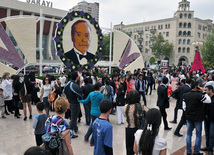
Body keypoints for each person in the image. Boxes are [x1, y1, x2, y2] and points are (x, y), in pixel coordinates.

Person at [183, 81, 211, 155]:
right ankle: (196, 152)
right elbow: (208, 101)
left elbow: (184, 107)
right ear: (196, 87)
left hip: (189, 117)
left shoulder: (185, 95)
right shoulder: (199, 95)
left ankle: (188, 151)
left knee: (189, 134)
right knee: (198, 134)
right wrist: (203, 92)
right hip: (198, 118)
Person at [123, 90, 141, 155]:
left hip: (128, 129)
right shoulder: (141, 107)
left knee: (129, 147)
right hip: (138, 129)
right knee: (138, 148)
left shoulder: (126, 107)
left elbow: (124, 115)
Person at [201, 85, 214, 155]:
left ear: (210, 90)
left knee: (211, 134)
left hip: (213, 119)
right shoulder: (206, 97)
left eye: (206, 90)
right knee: (207, 133)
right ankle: (208, 146)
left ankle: (211, 149)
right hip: (206, 118)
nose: (205, 91)